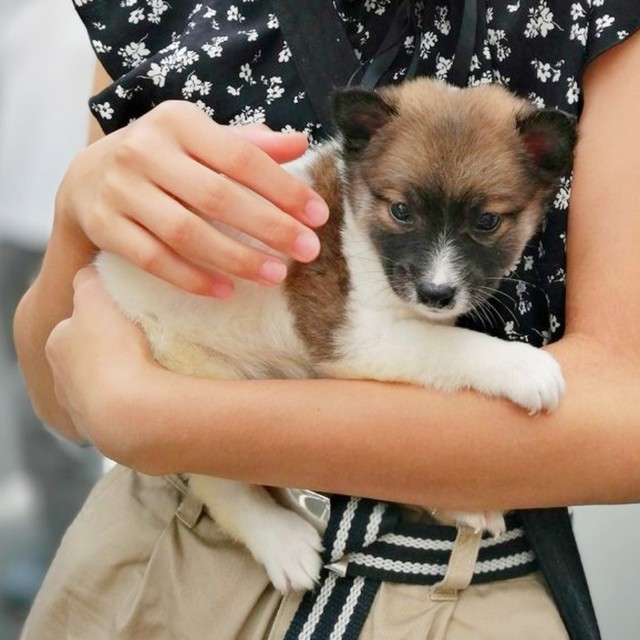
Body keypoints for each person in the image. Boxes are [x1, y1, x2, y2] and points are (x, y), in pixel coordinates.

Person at [13, 2, 640, 639]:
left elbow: (625, 424)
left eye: (485, 224)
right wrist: (75, 210)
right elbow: (60, 398)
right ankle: (238, 504)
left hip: (445, 593)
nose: (439, 277)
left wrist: (160, 418)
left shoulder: (591, 22)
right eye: (401, 214)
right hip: (145, 561)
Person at [0, 0, 102, 614]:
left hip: (76, 212)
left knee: (71, 380)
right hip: (11, 200)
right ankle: (57, 537)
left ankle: (71, 545)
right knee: (22, 378)